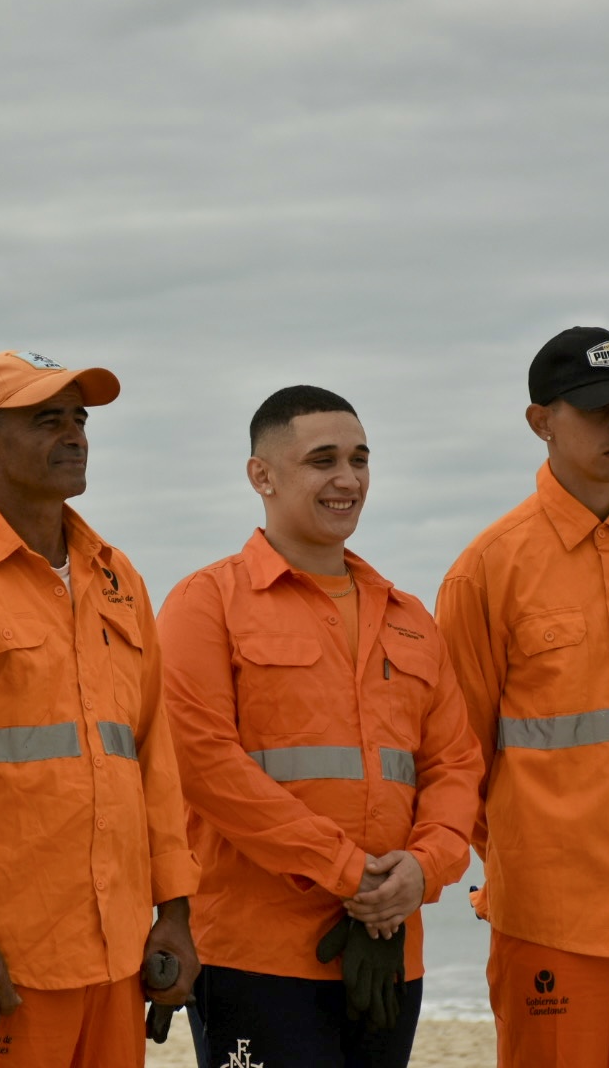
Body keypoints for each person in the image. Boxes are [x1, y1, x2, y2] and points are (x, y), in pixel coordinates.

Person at [0, 350, 200, 1068]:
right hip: (2, 957)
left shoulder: (118, 577)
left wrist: (174, 911)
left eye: (79, 419)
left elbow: (153, 756)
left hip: (115, 953)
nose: (75, 435)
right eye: (48, 420)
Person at [156, 385, 485, 1068]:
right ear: (262, 475)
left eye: (360, 459)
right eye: (323, 460)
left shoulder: (410, 617)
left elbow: (455, 765)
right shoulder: (206, 604)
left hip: (392, 948)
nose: (348, 479)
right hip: (255, 957)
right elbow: (205, 766)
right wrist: (350, 874)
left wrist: (423, 871)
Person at [436, 327, 609, 1068]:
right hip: (551, 920)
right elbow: (459, 756)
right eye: (597, 409)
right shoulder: (487, 571)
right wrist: (527, 868)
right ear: (541, 421)